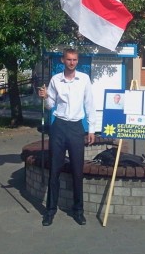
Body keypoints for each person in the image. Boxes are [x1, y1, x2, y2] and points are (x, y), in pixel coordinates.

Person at [38, 48, 96, 227]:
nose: (72, 62)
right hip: (59, 127)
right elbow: (50, 106)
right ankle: (50, 211)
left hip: (76, 127)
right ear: (63, 60)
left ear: (77, 61)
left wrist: (92, 129)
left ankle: (78, 211)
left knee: (77, 170)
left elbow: (90, 104)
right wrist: (45, 97)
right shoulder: (56, 79)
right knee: (54, 170)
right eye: (69, 59)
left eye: (75, 60)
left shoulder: (84, 79)